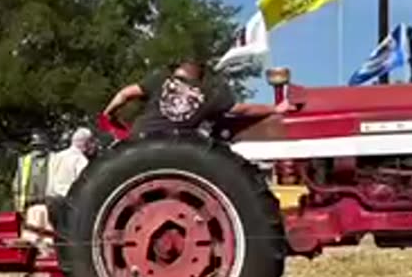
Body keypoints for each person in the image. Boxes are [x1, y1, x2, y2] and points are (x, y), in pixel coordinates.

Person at [102, 59, 294, 139]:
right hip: (175, 145)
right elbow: (244, 110)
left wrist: (109, 113)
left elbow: (124, 94)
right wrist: (275, 109)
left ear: (178, 70)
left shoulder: (160, 79)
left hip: (140, 138)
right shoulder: (210, 94)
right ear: (200, 76)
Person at [45, 127, 96, 238]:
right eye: (91, 142)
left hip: (51, 201)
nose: (93, 146)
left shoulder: (56, 156)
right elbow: (85, 184)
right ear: (86, 143)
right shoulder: (80, 160)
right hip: (69, 204)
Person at [12, 132, 52, 245]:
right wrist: (19, 207)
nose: (37, 150)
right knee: (32, 240)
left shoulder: (54, 159)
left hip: (48, 205)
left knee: (47, 240)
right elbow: (17, 186)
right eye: (36, 146)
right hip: (32, 206)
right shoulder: (24, 161)